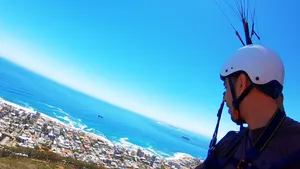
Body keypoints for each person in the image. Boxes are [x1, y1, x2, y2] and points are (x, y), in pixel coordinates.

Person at [195, 44, 300, 169]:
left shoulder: (230, 145)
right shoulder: (229, 142)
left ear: (241, 83)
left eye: (226, 87)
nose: (225, 98)